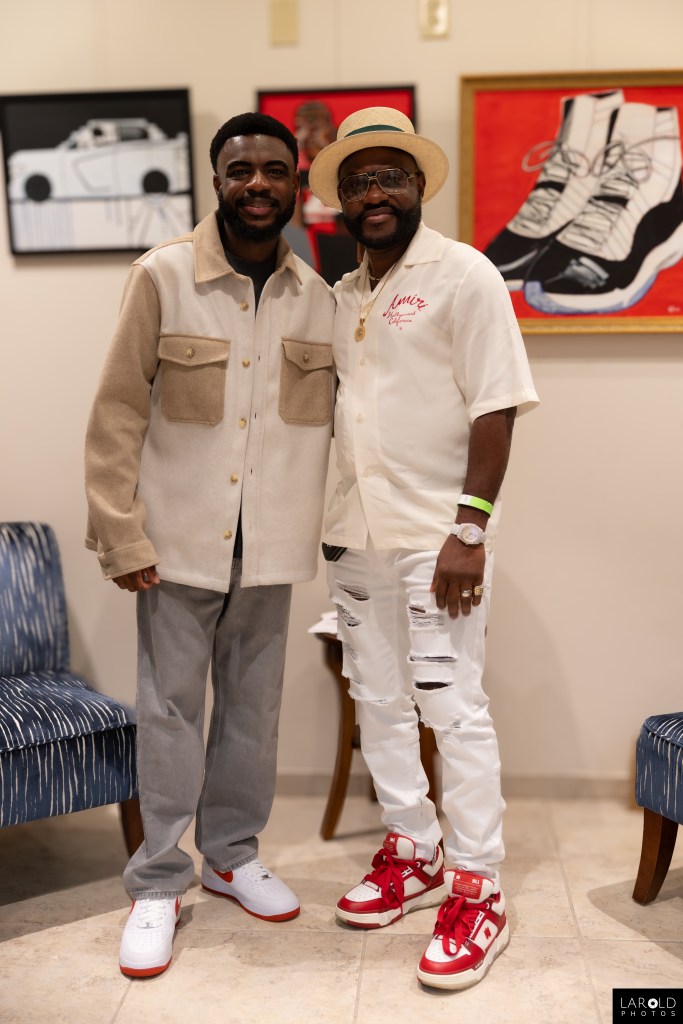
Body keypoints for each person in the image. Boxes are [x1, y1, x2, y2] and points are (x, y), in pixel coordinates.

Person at [84, 112, 335, 978]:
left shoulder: (319, 297)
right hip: (175, 545)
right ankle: (158, 880)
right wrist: (120, 533)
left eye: (273, 169)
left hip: (271, 548)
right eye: (240, 170)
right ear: (217, 179)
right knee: (170, 712)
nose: (257, 184)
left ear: (296, 181)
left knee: (253, 713)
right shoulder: (162, 276)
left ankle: (231, 855)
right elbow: (117, 410)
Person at [308, 107, 538, 991]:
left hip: (437, 538)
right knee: (376, 700)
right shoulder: (341, 295)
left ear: (417, 186)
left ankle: (479, 887)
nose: (375, 193)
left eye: (390, 177)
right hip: (353, 535)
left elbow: (495, 404)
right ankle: (413, 849)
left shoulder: (463, 274)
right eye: (358, 181)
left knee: (451, 706)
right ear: (340, 200)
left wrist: (469, 528)